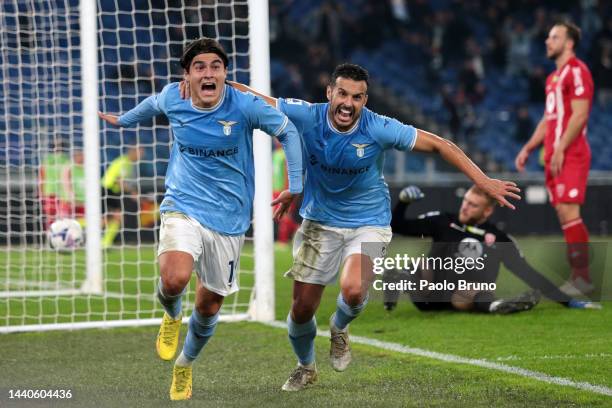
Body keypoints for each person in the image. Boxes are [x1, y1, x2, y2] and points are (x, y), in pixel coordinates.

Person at [182, 63, 521, 391]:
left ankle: (339, 328)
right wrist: (209, 84)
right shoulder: (306, 114)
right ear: (330, 92)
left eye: (356, 97)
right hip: (319, 221)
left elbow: (438, 144)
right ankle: (306, 367)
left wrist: (484, 180)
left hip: (369, 221)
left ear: (365, 101)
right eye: (342, 94)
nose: (347, 103)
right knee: (301, 311)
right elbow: (257, 99)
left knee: (355, 289)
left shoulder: (378, 127)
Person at [98, 37, 303, 400]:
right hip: (183, 203)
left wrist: (296, 185)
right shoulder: (173, 97)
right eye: (199, 67)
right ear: (187, 76)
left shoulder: (244, 105)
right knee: (174, 278)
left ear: (225, 73)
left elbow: (288, 131)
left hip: (228, 218)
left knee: (209, 305)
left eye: (215, 67)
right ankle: (172, 314)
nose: (208, 73)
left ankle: (184, 365)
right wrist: (123, 120)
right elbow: (150, 105)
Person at [385, 185, 601, 313]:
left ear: (487, 212)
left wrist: (568, 301)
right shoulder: (443, 221)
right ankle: (397, 279)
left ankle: (497, 306)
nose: (465, 207)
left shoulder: (498, 238)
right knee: (420, 265)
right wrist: (403, 203)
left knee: (474, 291)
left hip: (461, 298)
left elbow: (528, 273)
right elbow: (398, 226)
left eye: (473, 205)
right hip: (428, 294)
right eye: (466, 201)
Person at [515, 21, 594, 296]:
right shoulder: (553, 79)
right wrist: (528, 147)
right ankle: (579, 276)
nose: (548, 41)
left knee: (570, 212)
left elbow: (580, 114)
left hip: (570, 153)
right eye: (548, 37)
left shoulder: (578, 71)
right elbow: (549, 120)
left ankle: (582, 278)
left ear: (569, 43)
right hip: (553, 155)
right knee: (563, 213)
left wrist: (560, 147)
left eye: (554, 37)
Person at [99, 146, 144, 249]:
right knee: (107, 219)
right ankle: (96, 240)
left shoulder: (129, 164)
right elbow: (119, 181)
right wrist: (133, 193)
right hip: (106, 190)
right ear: (132, 151)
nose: (141, 156)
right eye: (139, 152)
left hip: (112, 192)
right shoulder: (124, 162)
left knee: (116, 217)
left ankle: (105, 243)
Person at [39, 139, 70, 227]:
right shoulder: (66, 160)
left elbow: (41, 176)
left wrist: (41, 191)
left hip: (53, 192)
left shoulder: (48, 160)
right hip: (59, 192)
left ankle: (51, 235)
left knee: (52, 217)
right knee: (60, 216)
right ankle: (57, 236)